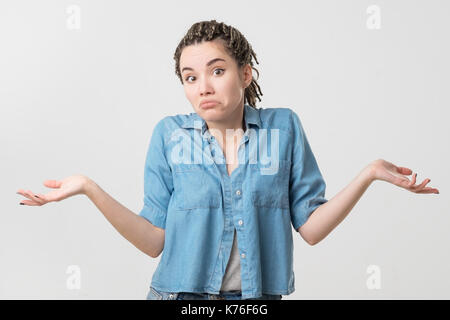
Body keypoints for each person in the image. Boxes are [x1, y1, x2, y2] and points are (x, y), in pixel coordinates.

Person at [16, 20, 440, 300]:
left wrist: (368, 175)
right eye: (190, 76)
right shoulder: (168, 135)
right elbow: (153, 241)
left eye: (217, 70)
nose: (203, 86)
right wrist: (89, 188)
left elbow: (310, 228)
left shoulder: (284, 128)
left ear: (245, 73)